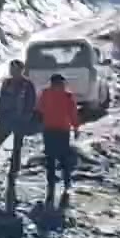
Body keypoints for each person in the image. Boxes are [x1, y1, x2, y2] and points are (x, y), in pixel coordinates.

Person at [0, 59, 36, 185]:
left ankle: (14, 172)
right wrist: (0, 115)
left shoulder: (27, 85)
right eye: (12, 69)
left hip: (19, 120)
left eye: (16, 69)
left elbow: (31, 102)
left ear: (22, 70)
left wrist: (26, 116)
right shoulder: (7, 83)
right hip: (6, 120)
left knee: (17, 147)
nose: (13, 72)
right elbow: (1, 100)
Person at [36, 73, 81, 205]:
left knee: (51, 157)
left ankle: (53, 186)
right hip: (61, 130)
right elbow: (73, 114)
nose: (59, 86)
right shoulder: (67, 96)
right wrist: (76, 127)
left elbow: (40, 108)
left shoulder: (46, 93)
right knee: (62, 158)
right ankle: (65, 184)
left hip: (51, 130)